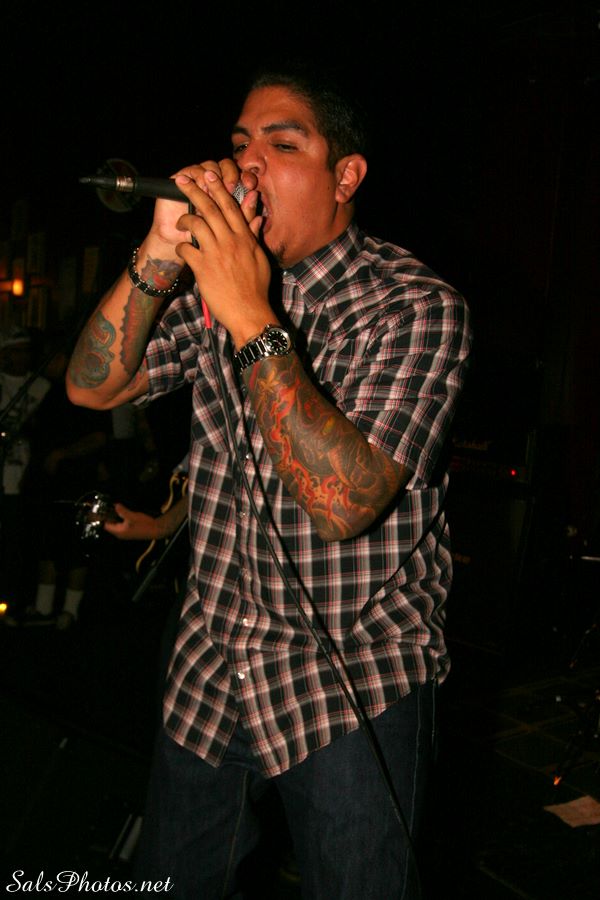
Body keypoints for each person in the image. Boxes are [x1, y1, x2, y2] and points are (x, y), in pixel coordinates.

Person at [66, 61, 473, 899]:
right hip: (211, 662)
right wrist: (159, 251)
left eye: (283, 145)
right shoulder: (210, 291)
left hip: (352, 678)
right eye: (240, 143)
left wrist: (249, 312)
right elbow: (92, 386)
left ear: (345, 176)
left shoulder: (414, 307)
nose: (247, 165)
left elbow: (344, 505)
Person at [0, 326, 50, 612]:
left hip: (27, 478)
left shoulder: (42, 387)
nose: (20, 357)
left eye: (25, 351)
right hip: (4, 474)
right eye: (14, 351)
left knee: (19, 543)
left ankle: (16, 602)